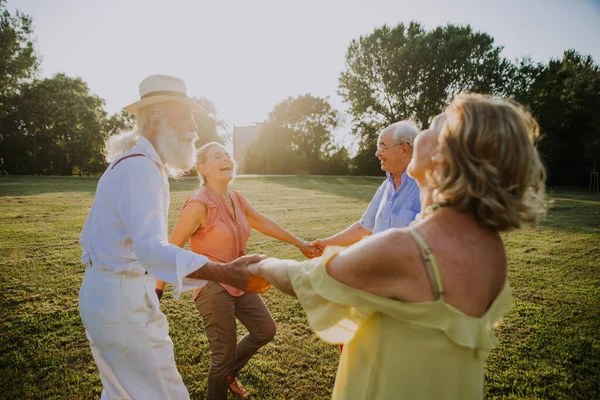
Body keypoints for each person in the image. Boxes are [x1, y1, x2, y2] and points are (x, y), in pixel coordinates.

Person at [249, 93, 547, 399]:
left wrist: (261, 265)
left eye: (432, 126)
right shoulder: (491, 249)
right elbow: (367, 227)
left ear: (445, 156)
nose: (421, 135)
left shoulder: (407, 248)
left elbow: (306, 279)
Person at [78, 75, 268, 400]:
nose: (194, 125)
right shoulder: (140, 169)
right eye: (185, 114)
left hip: (107, 297)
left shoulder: (138, 164)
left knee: (122, 394)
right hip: (121, 304)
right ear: (157, 118)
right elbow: (152, 251)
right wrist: (225, 271)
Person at [156, 142, 319, 399]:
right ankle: (223, 377)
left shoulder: (236, 198)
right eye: (217, 156)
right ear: (202, 167)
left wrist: (300, 243)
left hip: (241, 279)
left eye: (228, 155)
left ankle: (231, 373)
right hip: (211, 284)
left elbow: (265, 223)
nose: (226, 158)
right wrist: (158, 290)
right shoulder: (198, 205)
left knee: (265, 330)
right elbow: (169, 249)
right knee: (222, 356)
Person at [310, 121, 420, 252]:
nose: (377, 154)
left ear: (404, 150)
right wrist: (325, 244)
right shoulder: (386, 187)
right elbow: (364, 227)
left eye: (382, 147)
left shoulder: (427, 188)